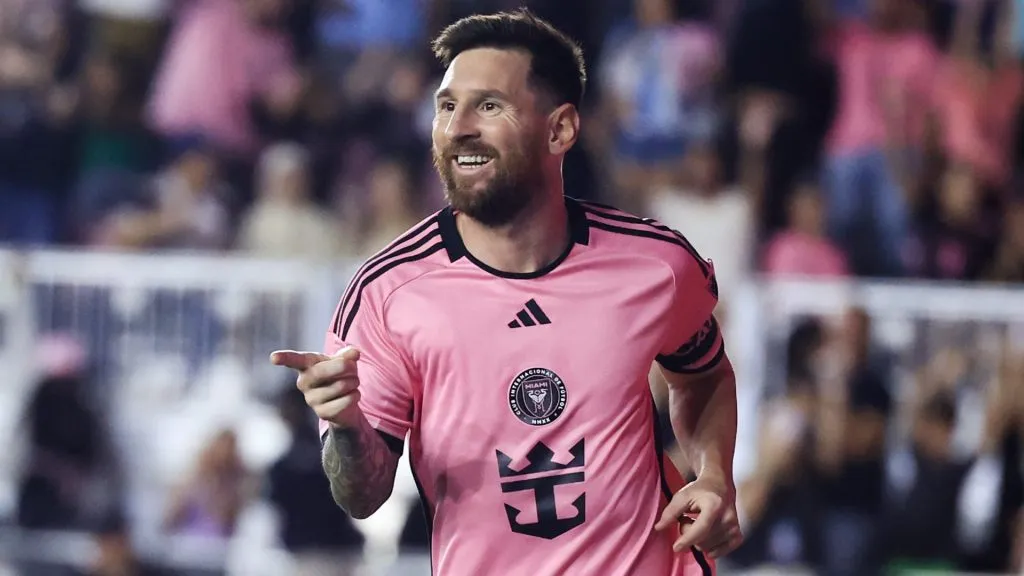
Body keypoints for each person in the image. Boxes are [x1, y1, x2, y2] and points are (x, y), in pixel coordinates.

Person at [271, 9, 741, 575]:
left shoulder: (655, 265)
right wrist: (346, 427)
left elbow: (705, 374)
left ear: (560, 129)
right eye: (447, 106)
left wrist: (713, 473)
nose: (458, 126)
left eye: (489, 105)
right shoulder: (388, 294)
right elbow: (362, 495)